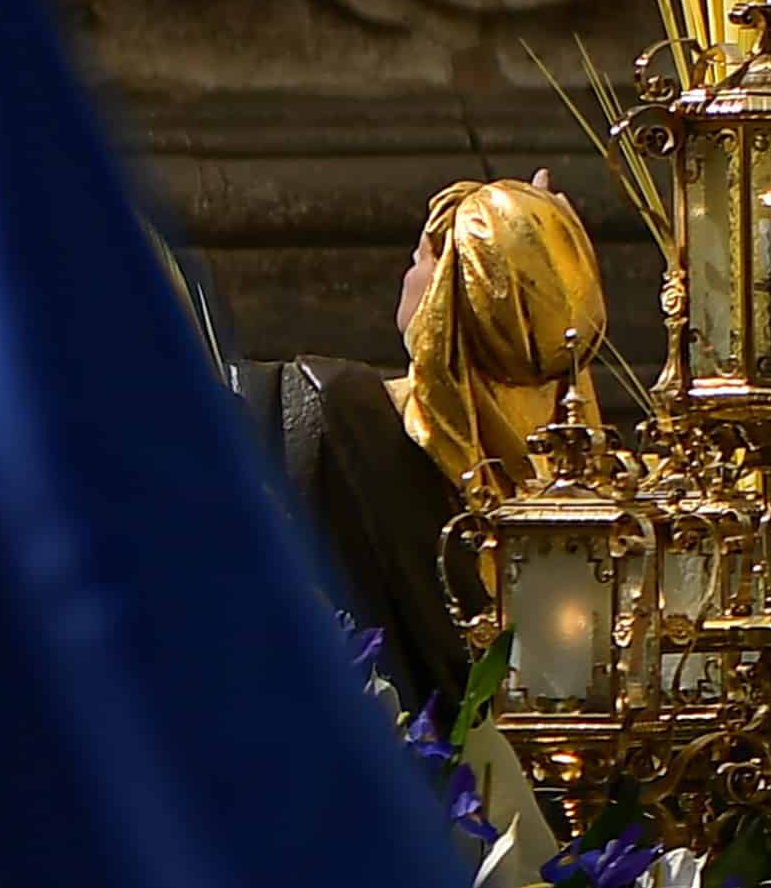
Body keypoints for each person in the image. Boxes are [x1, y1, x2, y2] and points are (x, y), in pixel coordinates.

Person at [242, 173, 610, 719]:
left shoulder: (335, 412)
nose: (407, 273)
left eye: (423, 260)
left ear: (450, 300)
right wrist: (543, 254)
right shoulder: (590, 489)